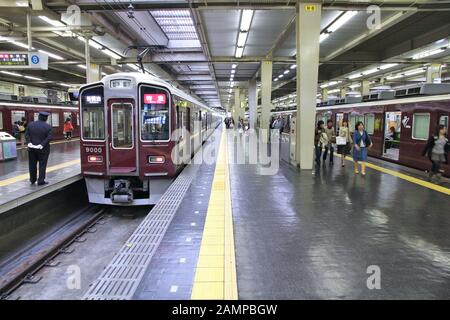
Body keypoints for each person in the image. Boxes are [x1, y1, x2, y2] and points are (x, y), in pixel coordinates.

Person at [25, 111, 53, 186]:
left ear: (38, 117)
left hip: (31, 149)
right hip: (43, 150)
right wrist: (41, 145)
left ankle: (32, 179)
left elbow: (27, 135)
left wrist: (29, 143)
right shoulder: (48, 127)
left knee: (32, 164)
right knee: (42, 165)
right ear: (46, 118)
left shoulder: (30, 124)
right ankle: (41, 180)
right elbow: (49, 137)